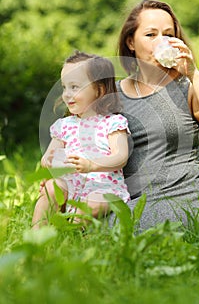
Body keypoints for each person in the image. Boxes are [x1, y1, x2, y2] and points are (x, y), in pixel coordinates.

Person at [114, 0, 199, 230]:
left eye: (168, 34)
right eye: (151, 35)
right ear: (131, 42)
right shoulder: (114, 94)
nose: (162, 41)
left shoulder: (187, 86)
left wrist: (194, 73)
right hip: (133, 202)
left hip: (184, 200)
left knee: (121, 231)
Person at [32, 51, 130, 229]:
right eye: (64, 87)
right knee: (51, 188)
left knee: (91, 203)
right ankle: (36, 235)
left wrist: (92, 165)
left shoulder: (113, 123)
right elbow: (50, 155)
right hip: (70, 185)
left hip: (103, 187)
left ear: (99, 90)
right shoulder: (63, 125)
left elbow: (121, 157)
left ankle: (74, 233)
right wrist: (48, 161)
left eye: (74, 87)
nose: (67, 94)